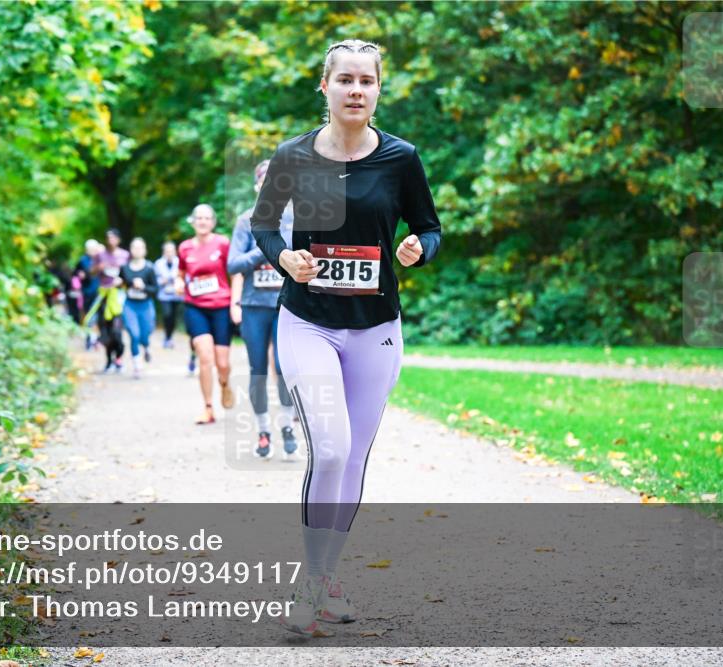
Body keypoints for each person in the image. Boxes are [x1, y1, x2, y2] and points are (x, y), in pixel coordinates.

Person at [251, 39, 442, 634]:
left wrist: (417, 249)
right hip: (307, 321)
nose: (356, 90)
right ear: (325, 87)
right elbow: (262, 226)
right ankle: (310, 588)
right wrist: (285, 259)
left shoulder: (401, 158)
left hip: (376, 328)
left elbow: (430, 227)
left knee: (354, 455)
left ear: (378, 90)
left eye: (367, 81)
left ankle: (327, 579)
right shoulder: (293, 155)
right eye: (346, 80)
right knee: (328, 448)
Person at [227, 159, 298, 460]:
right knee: (257, 370)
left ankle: (287, 426)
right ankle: (263, 431)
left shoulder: (297, 219)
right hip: (255, 305)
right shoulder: (246, 221)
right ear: (258, 186)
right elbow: (232, 264)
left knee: (284, 369)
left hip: (287, 305)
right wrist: (265, 248)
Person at [177, 204, 234, 425]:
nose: (202, 221)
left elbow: (234, 272)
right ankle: (208, 407)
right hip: (195, 306)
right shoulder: (184, 248)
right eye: (198, 218)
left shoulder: (223, 243)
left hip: (221, 305)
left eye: (206, 218)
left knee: (222, 363)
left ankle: (225, 383)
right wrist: (178, 283)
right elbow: (181, 274)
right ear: (192, 221)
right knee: (205, 356)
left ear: (213, 222)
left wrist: (236, 302)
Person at [91, 229, 129, 373]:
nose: (111, 240)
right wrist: (98, 267)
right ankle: (108, 361)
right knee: (106, 331)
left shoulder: (125, 255)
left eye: (113, 238)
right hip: (104, 296)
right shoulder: (100, 255)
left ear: (118, 239)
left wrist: (122, 281)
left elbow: (129, 274)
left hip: (119, 297)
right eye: (108, 238)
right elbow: (91, 272)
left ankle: (118, 358)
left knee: (117, 331)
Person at [120, 237, 158, 378]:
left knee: (145, 333)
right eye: (134, 247)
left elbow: (155, 289)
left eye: (140, 247)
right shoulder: (124, 268)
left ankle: (146, 347)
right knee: (133, 334)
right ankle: (137, 364)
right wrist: (120, 283)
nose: (137, 250)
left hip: (145, 305)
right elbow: (121, 283)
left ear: (145, 250)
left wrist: (143, 287)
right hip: (130, 305)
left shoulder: (149, 268)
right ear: (130, 250)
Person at [153, 241, 183, 349]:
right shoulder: (158, 264)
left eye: (171, 251)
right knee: (167, 315)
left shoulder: (180, 262)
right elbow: (154, 280)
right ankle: (167, 336)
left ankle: (169, 337)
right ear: (164, 252)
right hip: (164, 295)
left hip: (177, 295)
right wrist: (163, 281)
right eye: (167, 251)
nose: (169, 253)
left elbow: (183, 277)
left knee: (173, 317)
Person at [77, 239, 102, 349]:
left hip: (100, 292)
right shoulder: (82, 261)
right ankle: (89, 340)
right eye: (90, 249)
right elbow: (76, 273)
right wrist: (80, 275)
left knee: (99, 317)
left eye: (94, 248)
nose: (92, 251)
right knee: (88, 316)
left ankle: (97, 339)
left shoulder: (101, 259)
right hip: (87, 292)